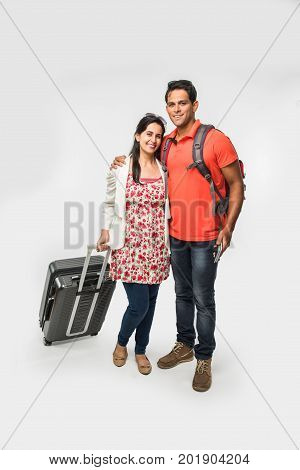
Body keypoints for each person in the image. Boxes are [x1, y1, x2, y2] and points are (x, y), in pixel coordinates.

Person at [111, 80, 244, 391]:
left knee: (203, 298)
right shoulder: (166, 143)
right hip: (173, 237)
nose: (176, 109)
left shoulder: (215, 140)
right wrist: (122, 161)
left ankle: (204, 357)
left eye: (182, 103)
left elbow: (236, 185)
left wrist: (229, 227)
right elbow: (144, 163)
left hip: (207, 235)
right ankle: (184, 344)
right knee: (182, 294)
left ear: (195, 105)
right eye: (171, 104)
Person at [96, 113, 171, 375]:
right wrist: (105, 232)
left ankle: (141, 350)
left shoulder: (164, 170)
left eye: (158, 135)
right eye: (148, 133)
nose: (153, 139)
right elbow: (108, 202)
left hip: (157, 248)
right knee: (139, 304)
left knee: (150, 304)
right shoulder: (120, 168)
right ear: (138, 136)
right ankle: (121, 342)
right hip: (129, 248)